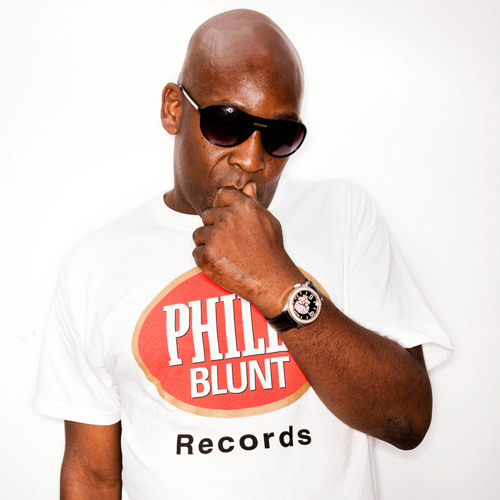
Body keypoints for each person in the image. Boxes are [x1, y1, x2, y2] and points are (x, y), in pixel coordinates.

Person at [34, 8, 452, 500]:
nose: (253, 159)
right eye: (227, 123)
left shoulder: (343, 216)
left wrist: (278, 283)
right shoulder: (95, 265)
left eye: (279, 136)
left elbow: (406, 421)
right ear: (174, 109)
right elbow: (93, 475)